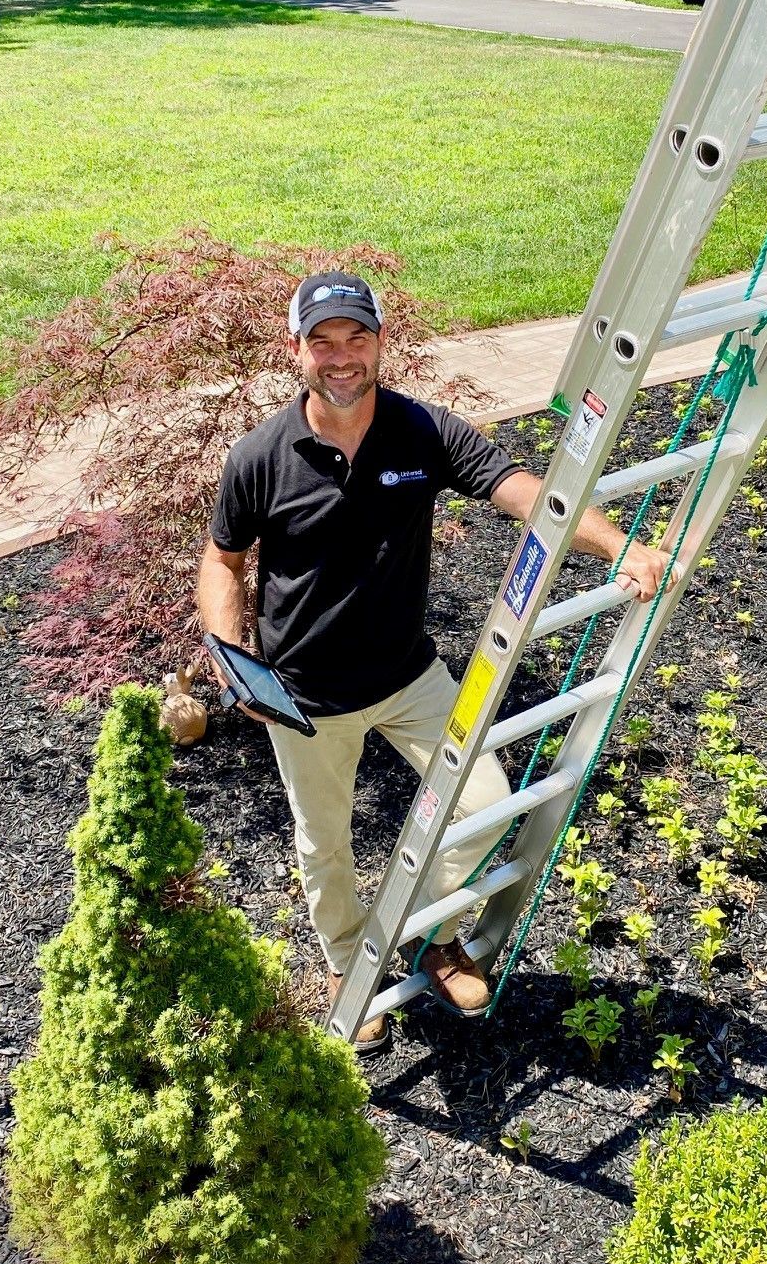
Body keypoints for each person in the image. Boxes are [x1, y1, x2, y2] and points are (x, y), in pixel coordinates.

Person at [198, 271, 673, 1052]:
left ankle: (428, 933)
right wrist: (229, 652)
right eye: (323, 342)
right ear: (296, 352)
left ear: (380, 343)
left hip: (409, 676)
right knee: (326, 844)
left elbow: (524, 490)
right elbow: (223, 561)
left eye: (357, 338)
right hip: (306, 695)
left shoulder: (422, 431)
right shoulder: (260, 457)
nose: (341, 358)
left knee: (485, 803)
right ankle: (348, 964)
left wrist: (618, 545)